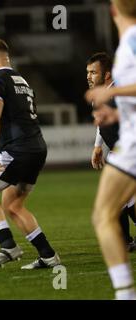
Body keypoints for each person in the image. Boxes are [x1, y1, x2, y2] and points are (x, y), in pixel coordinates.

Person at [0, 38, 61, 270]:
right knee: (13, 206)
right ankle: (48, 255)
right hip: (37, 149)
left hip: (16, 150)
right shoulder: (22, 81)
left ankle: (8, 246)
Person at [84, 0, 136, 300]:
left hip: (131, 146)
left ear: (114, 11)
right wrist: (115, 115)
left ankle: (125, 294)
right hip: (125, 144)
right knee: (109, 212)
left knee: (104, 215)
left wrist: (112, 92)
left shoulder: (130, 42)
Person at [86, 52, 136, 251]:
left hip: (130, 152)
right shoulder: (101, 94)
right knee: (122, 200)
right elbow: (102, 123)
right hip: (119, 152)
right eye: (87, 72)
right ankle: (125, 240)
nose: (89, 76)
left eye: (93, 72)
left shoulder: (118, 93)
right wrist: (98, 145)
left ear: (107, 75)